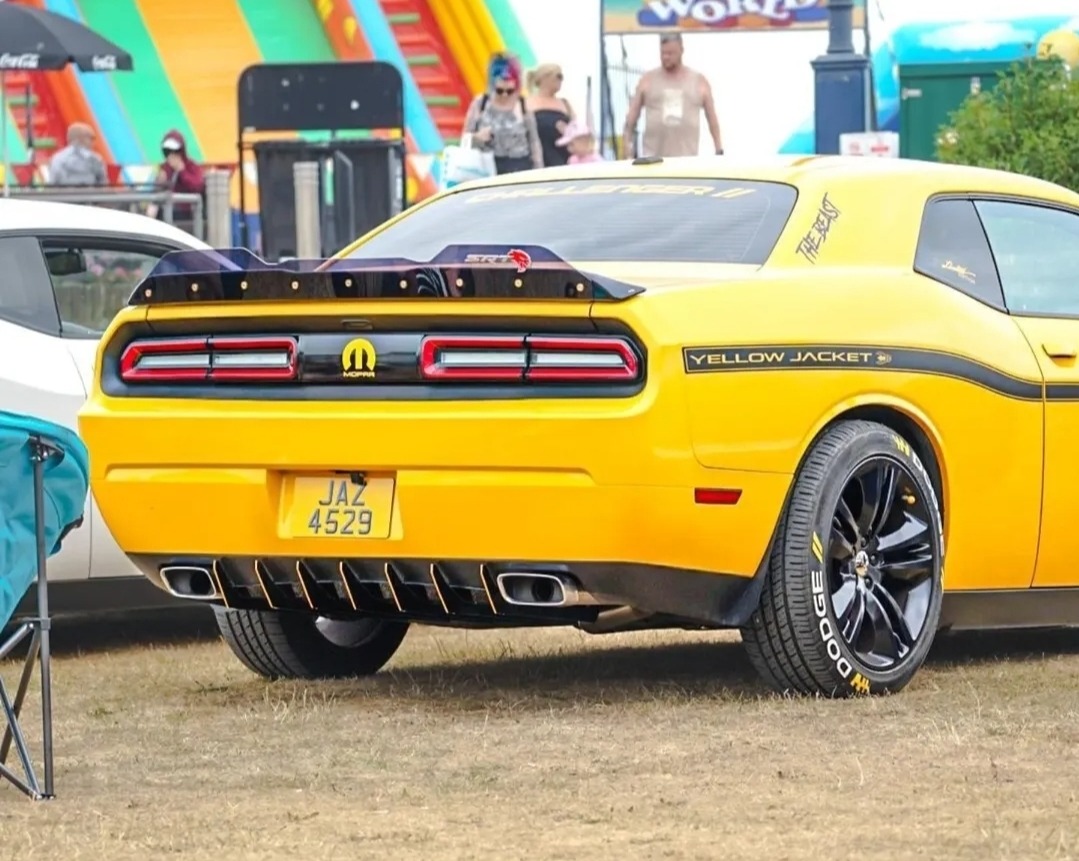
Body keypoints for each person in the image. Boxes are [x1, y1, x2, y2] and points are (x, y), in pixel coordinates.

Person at [622, 34, 724, 159]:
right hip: (653, 161)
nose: (666, 57)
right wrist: (627, 151)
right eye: (663, 53)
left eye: (670, 53)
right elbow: (630, 120)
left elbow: (712, 119)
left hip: (686, 161)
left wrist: (719, 149)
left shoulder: (698, 81)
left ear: (681, 50)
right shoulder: (647, 80)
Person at [461, 53, 543, 175]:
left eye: (510, 91)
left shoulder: (522, 105)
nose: (505, 95)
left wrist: (539, 171)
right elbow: (465, 139)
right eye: (499, 91)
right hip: (487, 167)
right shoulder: (481, 103)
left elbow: (534, 142)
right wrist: (477, 138)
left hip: (519, 168)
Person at [147, 129, 205, 224]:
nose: (172, 155)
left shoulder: (191, 166)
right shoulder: (164, 168)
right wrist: (160, 182)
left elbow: (197, 186)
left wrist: (182, 171)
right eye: (168, 151)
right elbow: (156, 192)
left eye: (175, 151)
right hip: (165, 212)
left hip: (186, 214)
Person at [525, 63, 575, 167]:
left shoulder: (565, 103)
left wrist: (568, 131)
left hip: (564, 161)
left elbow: (578, 131)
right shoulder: (527, 103)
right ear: (545, 77)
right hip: (538, 160)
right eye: (559, 76)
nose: (561, 80)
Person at [48, 122, 107, 186]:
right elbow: (103, 183)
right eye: (92, 138)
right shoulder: (95, 158)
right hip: (89, 195)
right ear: (81, 138)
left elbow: (53, 182)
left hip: (65, 195)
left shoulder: (57, 158)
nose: (94, 143)